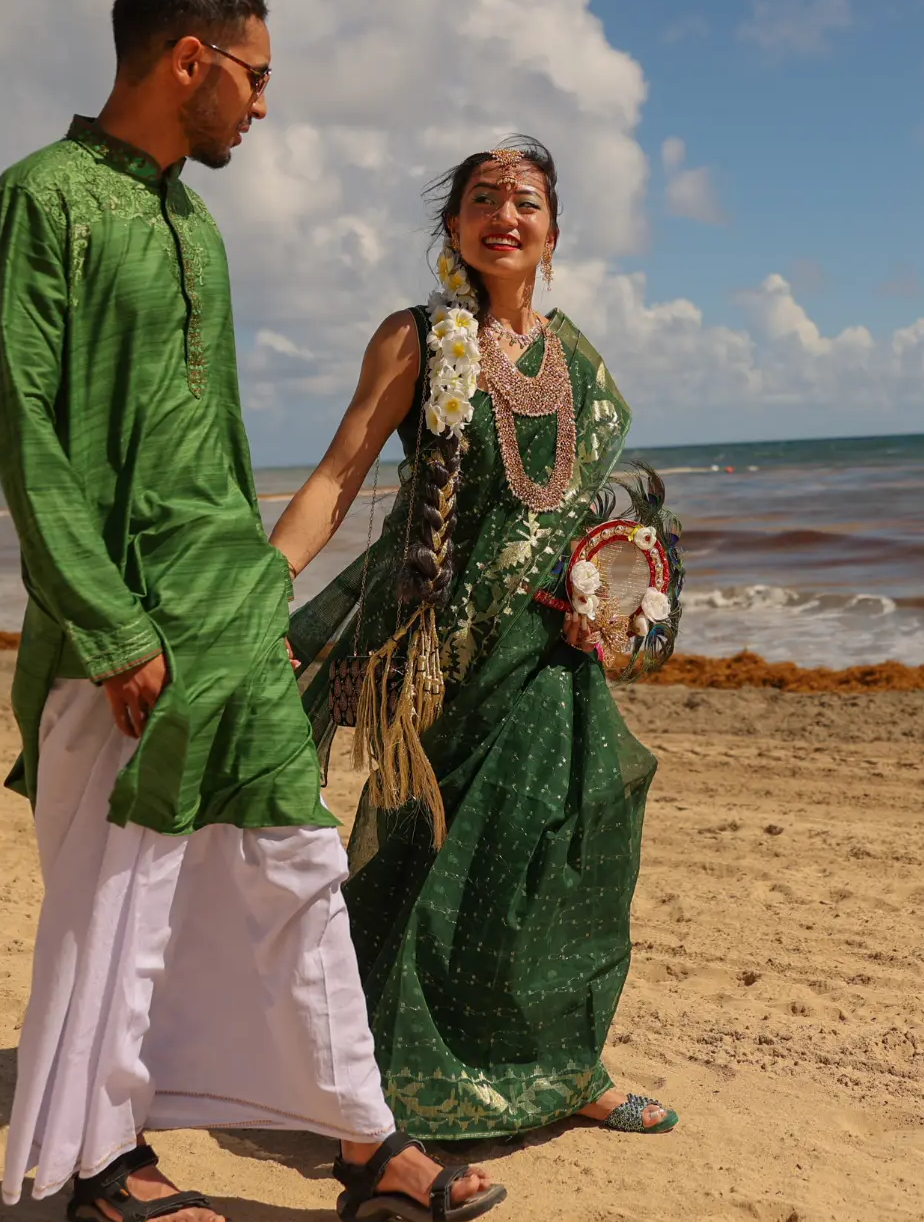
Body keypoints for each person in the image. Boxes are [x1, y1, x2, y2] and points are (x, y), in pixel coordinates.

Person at [0, 0, 504, 1222]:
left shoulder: (195, 229)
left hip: (229, 613)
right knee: (123, 894)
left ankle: (365, 1139)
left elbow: (214, 448)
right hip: (126, 626)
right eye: (253, 78)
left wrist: (259, 602)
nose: (263, 106)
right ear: (189, 59)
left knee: (294, 866)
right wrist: (105, 623)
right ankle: (104, 1163)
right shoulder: (40, 201)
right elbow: (26, 434)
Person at [277, 139, 677, 1143]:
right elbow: (337, 476)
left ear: (553, 230)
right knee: (428, 859)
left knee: (570, 857)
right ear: (452, 227)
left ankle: (566, 1067)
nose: (505, 214)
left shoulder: (577, 358)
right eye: (482, 199)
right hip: (443, 661)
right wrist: (260, 585)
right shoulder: (418, 340)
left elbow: (579, 500)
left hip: (553, 652)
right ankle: (377, 1086)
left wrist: (614, 581)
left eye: (526, 200)